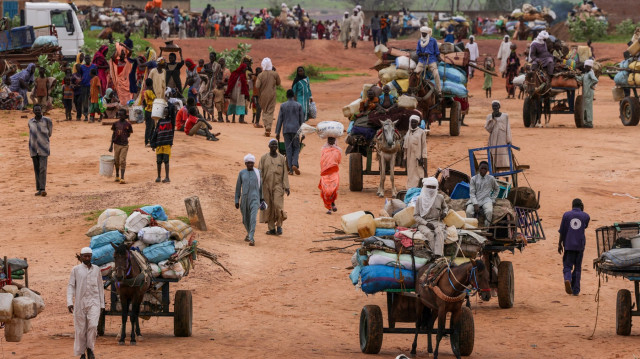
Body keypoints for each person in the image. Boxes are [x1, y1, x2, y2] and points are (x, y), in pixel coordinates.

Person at [67, 247, 104, 359]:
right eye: (85, 256)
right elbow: (71, 286)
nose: (87, 258)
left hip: (94, 302)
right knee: (81, 329)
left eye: (89, 256)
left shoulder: (97, 269)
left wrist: (102, 304)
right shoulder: (76, 270)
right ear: (81, 257)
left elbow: (100, 287)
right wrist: (69, 302)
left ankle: (90, 348)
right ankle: (82, 352)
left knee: (93, 325)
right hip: (80, 303)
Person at [558, 198, 590, 296]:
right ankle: (576, 290)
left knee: (567, 266)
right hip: (580, 246)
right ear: (581, 206)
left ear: (572, 206)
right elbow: (584, 226)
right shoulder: (586, 216)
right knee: (577, 268)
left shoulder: (566, 215)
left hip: (568, 244)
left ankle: (567, 279)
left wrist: (560, 244)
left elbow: (562, 231)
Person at [259, 139, 290, 236]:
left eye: (275, 145)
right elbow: (260, 172)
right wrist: (259, 186)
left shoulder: (281, 158)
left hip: (278, 185)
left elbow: (285, 173)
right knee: (269, 207)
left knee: (278, 205)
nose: (274, 146)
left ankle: (279, 225)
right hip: (266, 186)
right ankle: (271, 228)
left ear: (277, 147)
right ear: (269, 146)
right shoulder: (264, 158)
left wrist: (287, 187)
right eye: (272, 145)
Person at [414, 177, 448, 256]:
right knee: (430, 234)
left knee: (439, 233)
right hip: (423, 223)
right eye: (429, 187)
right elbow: (416, 216)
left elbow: (445, 207)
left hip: (437, 222)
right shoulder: (420, 199)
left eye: (433, 187)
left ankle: (438, 256)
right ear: (425, 187)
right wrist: (426, 223)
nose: (431, 189)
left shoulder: (440, 197)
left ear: (436, 188)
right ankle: (434, 255)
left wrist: (445, 213)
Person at [235, 154, 263, 246]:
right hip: (244, 199)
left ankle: (251, 238)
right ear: (246, 163)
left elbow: (261, 187)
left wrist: (262, 198)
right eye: (249, 163)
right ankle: (248, 234)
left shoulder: (258, 173)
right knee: (245, 219)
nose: (251, 165)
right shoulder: (242, 173)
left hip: (255, 199)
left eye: (252, 163)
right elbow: (238, 187)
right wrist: (236, 200)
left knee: (253, 219)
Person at [275, 89, 305, 175]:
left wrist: (277, 132)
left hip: (286, 130)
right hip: (296, 130)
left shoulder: (283, 106)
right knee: (296, 148)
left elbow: (280, 119)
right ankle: (294, 164)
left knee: (288, 149)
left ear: (287, 96)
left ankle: (290, 170)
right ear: (293, 96)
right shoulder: (298, 105)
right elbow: (302, 120)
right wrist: (303, 133)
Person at [465, 161, 499, 227]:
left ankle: (486, 229)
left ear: (487, 170)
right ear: (479, 168)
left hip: (486, 199)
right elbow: (472, 193)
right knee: (468, 211)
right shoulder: (473, 179)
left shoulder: (491, 178)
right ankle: (472, 229)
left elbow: (497, 188)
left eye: (485, 169)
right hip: (475, 198)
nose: (483, 170)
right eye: (482, 168)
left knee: (489, 211)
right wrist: (475, 203)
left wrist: (493, 199)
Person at [28, 104, 52, 197]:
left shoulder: (47, 120)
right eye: (36, 110)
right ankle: (39, 189)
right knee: (36, 169)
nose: (38, 112)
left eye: (39, 110)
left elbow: (50, 133)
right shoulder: (30, 121)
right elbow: (31, 133)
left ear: (41, 110)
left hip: (44, 148)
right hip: (33, 148)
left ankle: (43, 189)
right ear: (33, 111)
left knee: (43, 168)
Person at [256, 58, 281, 136]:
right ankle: (269, 126)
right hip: (272, 95)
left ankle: (266, 126)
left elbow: (257, 86)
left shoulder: (260, 75)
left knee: (265, 111)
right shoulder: (275, 74)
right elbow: (278, 83)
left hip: (263, 95)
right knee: (270, 111)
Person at [150, 104, 175, 183]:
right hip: (159, 143)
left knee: (166, 161)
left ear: (169, 113)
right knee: (158, 161)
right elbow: (156, 132)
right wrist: (153, 143)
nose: (165, 113)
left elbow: (173, 110)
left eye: (167, 112)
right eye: (164, 112)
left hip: (167, 144)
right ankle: (158, 176)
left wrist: (168, 102)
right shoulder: (160, 121)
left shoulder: (171, 121)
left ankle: (167, 177)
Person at [485, 100, 512, 170]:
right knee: (493, 156)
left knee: (503, 157)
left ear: (499, 106)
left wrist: (509, 140)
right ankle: (495, 174)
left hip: (503, 140)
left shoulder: (505, 116)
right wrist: (492, 119)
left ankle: (506, 175)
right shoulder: (489, 117)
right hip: (493, 140)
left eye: (496, 106)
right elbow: (488, 129)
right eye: (493, 106)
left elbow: (508, 129)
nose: (495, 108)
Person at [414, 27, 441, 95]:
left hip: (431, 61)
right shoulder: (419, 41)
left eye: (425, 34)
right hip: (422, 61)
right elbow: (418, 52)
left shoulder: (433, 41)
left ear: (427, 33)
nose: (423, 34)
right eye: (422, 33)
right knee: (415, 74)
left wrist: (439, 58)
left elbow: (437, 52)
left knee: (436, 74)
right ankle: (414, 90)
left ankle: (439, 91)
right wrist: (423, 54)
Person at [108, 108, 133, 184]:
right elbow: (113, 135)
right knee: (116, 160)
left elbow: (129, 134)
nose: (120, 116)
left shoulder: (128, 124)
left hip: (124, 145)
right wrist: (111, 145)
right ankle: (117, 175)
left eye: (121, 115)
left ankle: (122, 177)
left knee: (122, 160)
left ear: (125, 115)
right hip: (116, 144)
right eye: (119, 115)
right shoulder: (115, 124)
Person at [403, 115, 428, 189]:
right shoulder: (408, 132)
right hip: (410, 157)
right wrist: (405, 157)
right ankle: (410, 188)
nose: (413, 124)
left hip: (418, 157)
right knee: (410, 173)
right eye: (412, 122)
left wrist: (423, 157)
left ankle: (418, 187)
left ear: (418, 123)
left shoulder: (421, 132)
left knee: (419, 173)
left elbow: (424, 146)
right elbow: (405, 147)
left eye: (415, 122)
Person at [577, 59, 598, 128]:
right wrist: (574, 76)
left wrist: (590, 85)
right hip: (586, 92)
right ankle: (586, 121)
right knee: (585, 107)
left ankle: (589, 122)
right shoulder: (585, 74)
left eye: (586, 66)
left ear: (589, 67)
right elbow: (580, 79)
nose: (584, 68)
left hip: (589, 92)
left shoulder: (590, 73)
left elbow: (595, 80)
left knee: (588, 107)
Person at [143, 78, 156, 146]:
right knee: (149, 127)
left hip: (148, 110)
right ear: (151, 84)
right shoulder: (149, 92)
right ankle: (147, 141)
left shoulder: (145, 91)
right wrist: (153, 90)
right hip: (149, 110)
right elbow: (154, 97)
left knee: (152, 126)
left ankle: (150, 140)